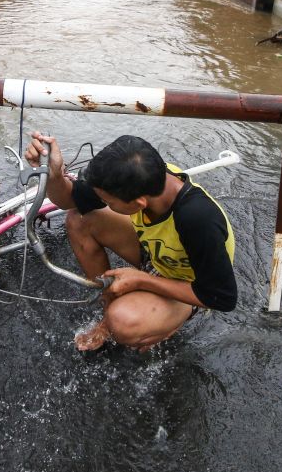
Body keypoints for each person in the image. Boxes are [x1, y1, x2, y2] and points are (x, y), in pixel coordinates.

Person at [23, 132, 236, 351]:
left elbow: (221, 297)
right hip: (157, 254)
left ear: (139, 203)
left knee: (122, 322)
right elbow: (70, 199)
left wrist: (141, 281)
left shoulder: (197, 219)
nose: (104, 203)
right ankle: (111, 304)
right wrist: (54, 175)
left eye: (108, 201)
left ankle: (166, 318)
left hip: (190, 285)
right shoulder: (140, 178)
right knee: (80, 218)